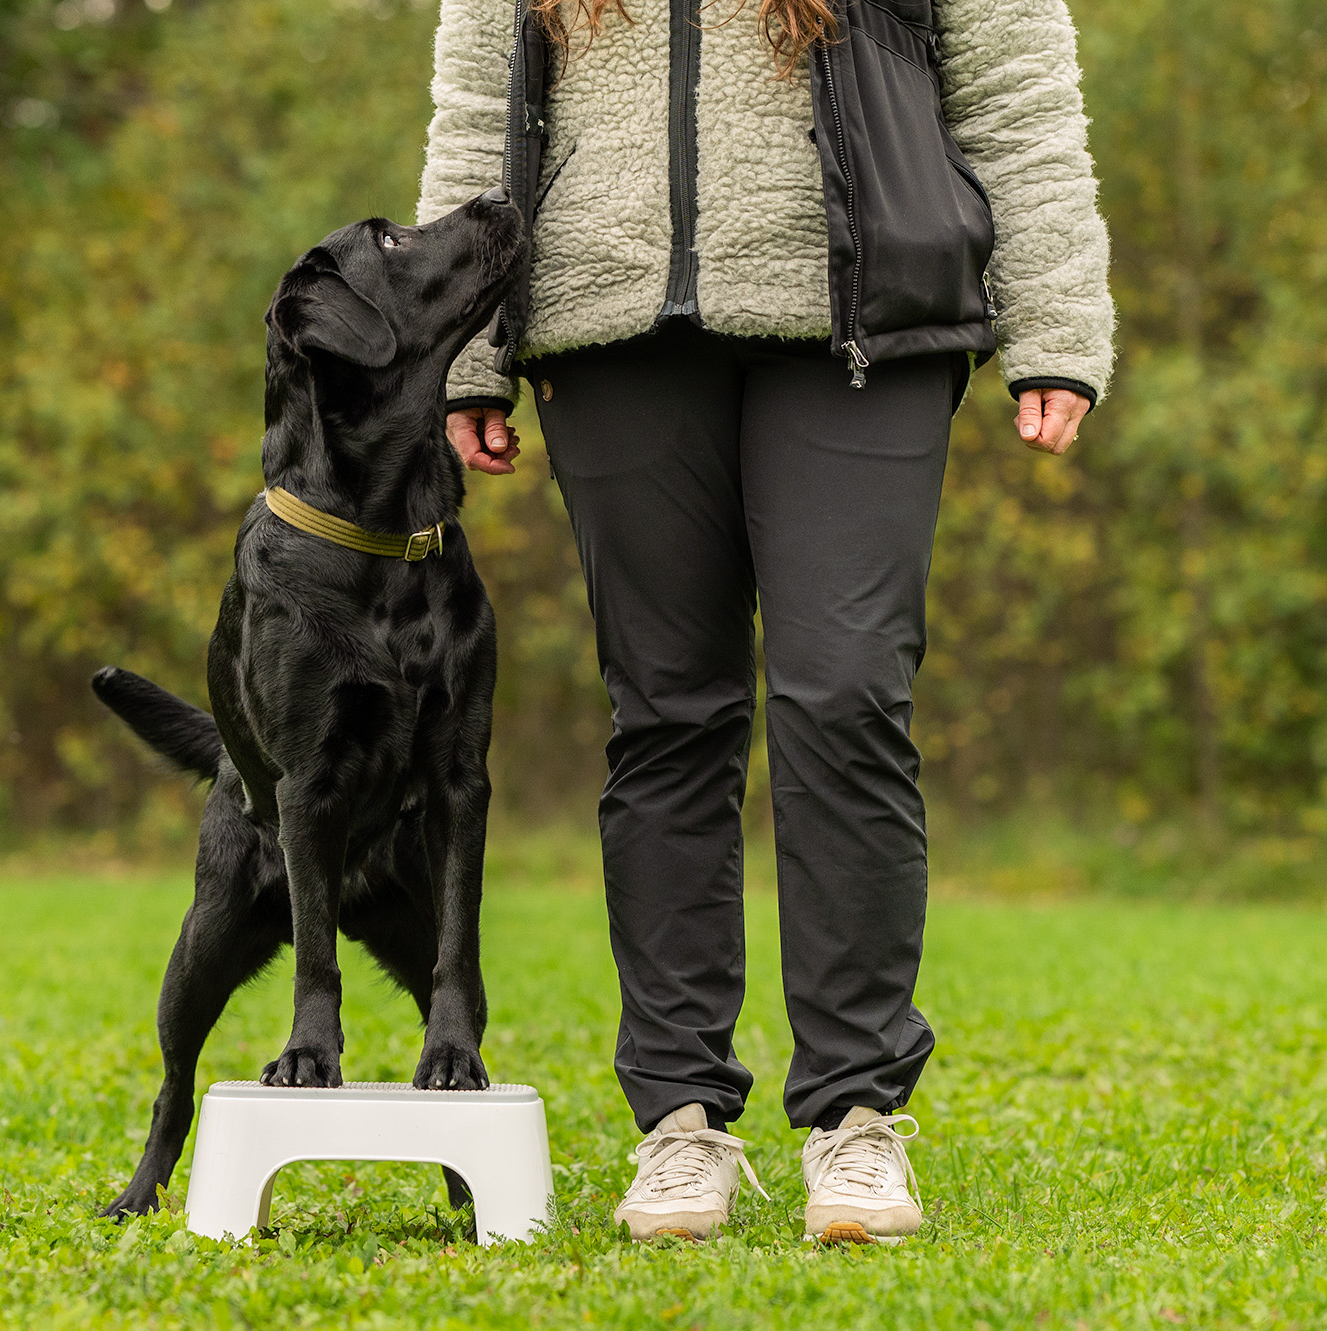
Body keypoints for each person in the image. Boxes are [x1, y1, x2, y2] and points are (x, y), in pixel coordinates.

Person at [416, 0, 1113, 1243]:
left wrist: (1054, 327)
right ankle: (678, 1121)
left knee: (843, 693)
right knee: (664, 715)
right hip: (606, 325)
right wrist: (461, 350)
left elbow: (1018, 102)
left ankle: (856, 1116)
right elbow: (475, 115)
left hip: (864, 319)